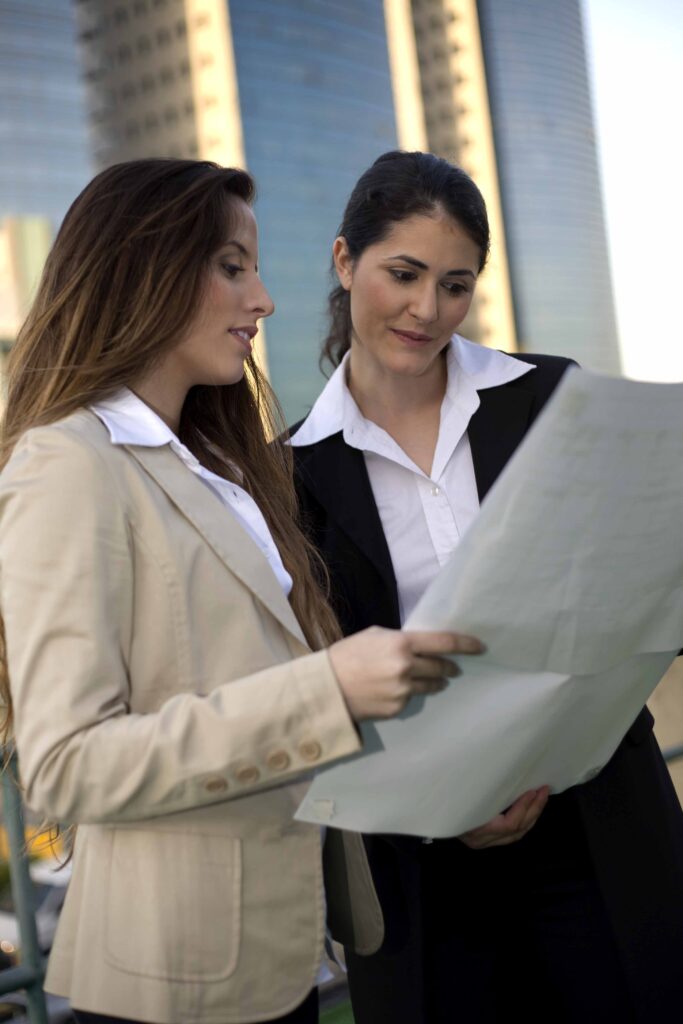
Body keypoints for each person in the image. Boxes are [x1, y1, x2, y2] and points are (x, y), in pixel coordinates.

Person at [0, 158, 483, 1024]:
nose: (262, 299)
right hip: (171, 978)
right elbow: (67, 767)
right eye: (232, 267)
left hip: (275, 956)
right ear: (143, 270)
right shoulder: (67, 463)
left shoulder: (221, 466)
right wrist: (327, 689)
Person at [290, 150, 683, 1023]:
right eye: (403, 274)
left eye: (455, 285)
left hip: (598, 816)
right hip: (422, 858)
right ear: (345, 260)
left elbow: (639, 570)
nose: (427, 310)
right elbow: (316, 678)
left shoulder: (554, 398)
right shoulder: (289, 474)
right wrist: (453, 797)